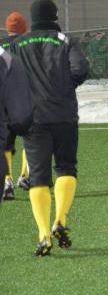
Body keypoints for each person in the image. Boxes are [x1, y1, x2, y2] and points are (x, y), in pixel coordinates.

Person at [12, 0, 90, 256]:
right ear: (55, 16)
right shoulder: (66, 41)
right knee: (66, 168)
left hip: (33, 118)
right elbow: (81, 69)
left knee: (38, 178)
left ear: (32, 18)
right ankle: (61, 219)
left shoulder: (18, 44)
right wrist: (65, 88)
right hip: (64, 115)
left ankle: (44, 234)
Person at [2, 12, 30, 200]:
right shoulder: (28, 45)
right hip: (25, 98)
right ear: (24, 28)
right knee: (31, 138)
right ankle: (25, 176)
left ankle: (7, 181)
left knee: (5, 142)